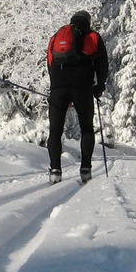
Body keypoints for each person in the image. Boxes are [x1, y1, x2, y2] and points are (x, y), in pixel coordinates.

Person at [46, 10, 109, 183]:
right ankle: (85, 169)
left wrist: (57, 87)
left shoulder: (57, 37)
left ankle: (55, 170)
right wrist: (99, 87)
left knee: (55, 131)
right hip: (82, 87)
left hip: (58, 87)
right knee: (86, 128)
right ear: (88, 22)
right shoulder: (93, 37)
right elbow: (102, 65)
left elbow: (50, 62)